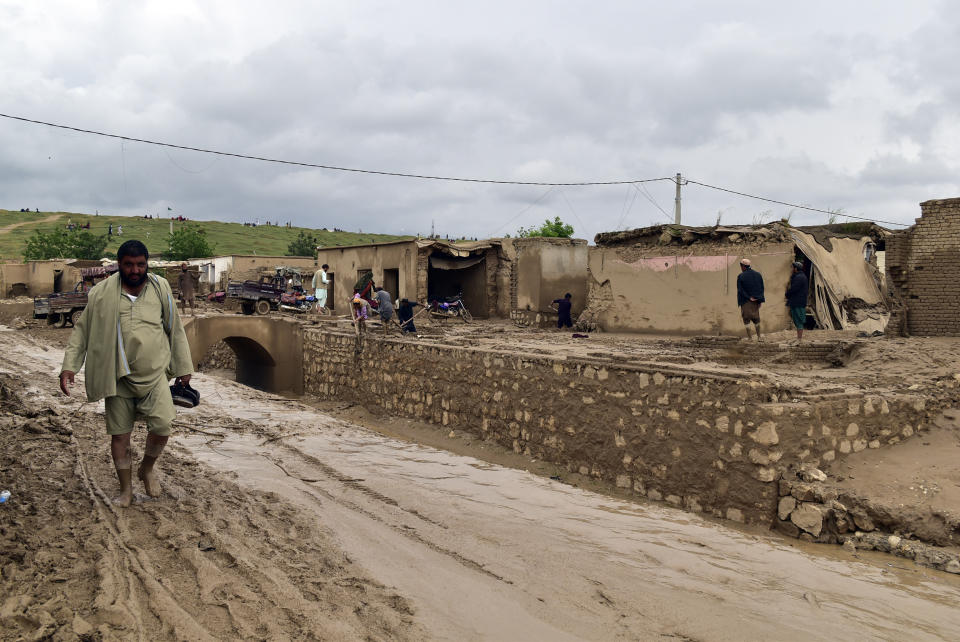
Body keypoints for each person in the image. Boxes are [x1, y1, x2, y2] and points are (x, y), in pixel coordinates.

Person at [59, 240, 193, 507]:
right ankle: (126, 490)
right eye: (129, 265)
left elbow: (174, 329)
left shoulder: (160, 288)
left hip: (155, 373)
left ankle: (147, 468)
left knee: (163, 425)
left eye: (140, 264)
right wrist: (69, 366)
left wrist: (184, 368)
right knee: (120, 435)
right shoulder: (101, 294)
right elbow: (82, 331)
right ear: (119, 265)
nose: (135, 270)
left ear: (147, 264)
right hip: (117, 374)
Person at [736, 258, 765, 341]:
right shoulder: (758, 275)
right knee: (756, 319)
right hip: (756, 301)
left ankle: (750, 338)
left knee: (746, 319)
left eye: (741, 266)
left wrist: (749, 297)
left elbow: (740, 290)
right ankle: (759, 337)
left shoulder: (741, 276)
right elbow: (761, 288)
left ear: (743, 266)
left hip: (745, 301)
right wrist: (760, 300)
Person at [785, 261, 809, 343]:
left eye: (793, 267)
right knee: (797, 320)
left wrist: (787, 294)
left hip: (798, 302)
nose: (792, 269)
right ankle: (799, 338)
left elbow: (794, 289)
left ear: (796, 269)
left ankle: (799, 339)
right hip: (797, 301)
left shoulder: (799, 277)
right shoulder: (799, 276)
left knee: (799, 320)